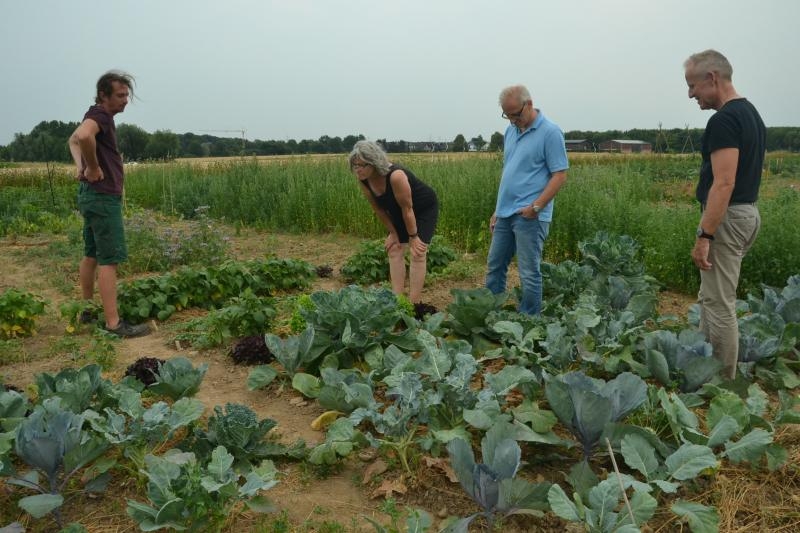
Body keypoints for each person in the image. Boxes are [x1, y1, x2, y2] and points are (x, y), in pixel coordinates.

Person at [684, 50, 765, 379]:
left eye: (692, 86)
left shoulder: (724, 120)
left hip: (728, 218)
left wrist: (706, 235)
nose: (691, 94)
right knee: (711, 295)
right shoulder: (751, 114)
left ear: (712, 78)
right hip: (745, 214)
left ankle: (721, 386)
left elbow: (725, 182)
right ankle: (705, 368)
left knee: (719, 303)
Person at [68, 70, 150, 338]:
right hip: (103, 197)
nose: (125, 100)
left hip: (91, 196)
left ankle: (88, 310)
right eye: (120, 95)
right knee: (109, 260)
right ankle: (114, 324)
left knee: (91, 254)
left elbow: (73, 139)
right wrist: (91, 167)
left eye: (127, 95)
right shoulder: (101, 115)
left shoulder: (95, 114)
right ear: (104, 95)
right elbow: (82, 137)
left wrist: (81, 166)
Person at [485, 85, 568, 314]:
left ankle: (530, 322)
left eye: (516, 114)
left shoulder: (550, 132)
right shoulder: (511, 131)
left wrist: (536, 207)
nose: (512, 120)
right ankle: (491, 314)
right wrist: (497, 209)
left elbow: (559, 175)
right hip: (505, 212)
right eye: (507, 115)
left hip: (530, 215)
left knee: (528, 271)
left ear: (529, 104)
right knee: (495, 266)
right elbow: (509, 171)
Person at [348, 140, 439, 303]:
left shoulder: (396, 176)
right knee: (394, 248)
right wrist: (393, 233)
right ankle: (397, 302)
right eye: (355, 166)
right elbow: (379, 209)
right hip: (400, 210)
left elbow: (408, 209)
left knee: (417, 252)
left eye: (362, 165)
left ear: (374, 163)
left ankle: (413, 305)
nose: (358, 170)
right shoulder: (364, 180)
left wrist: (413, 237)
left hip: (423, 208)